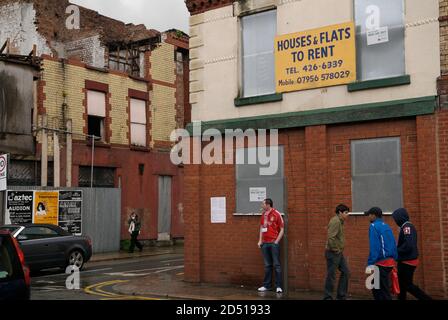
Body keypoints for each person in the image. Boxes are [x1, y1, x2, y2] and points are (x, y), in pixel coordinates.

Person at [392, 208, 432, 300]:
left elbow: (408, 245)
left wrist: (396, 250)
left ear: (400, 218)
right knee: (402, 285)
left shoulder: (407, 227)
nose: (395, 221)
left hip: (408, 261)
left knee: (407, 285)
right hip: (406, 260)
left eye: (396, 219)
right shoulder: (406, 227)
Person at [365, 207, 398, 300]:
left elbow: (374, 246)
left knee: (381, 291)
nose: (368, 217)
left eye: (369, 215)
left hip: (380, 263)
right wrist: (395, 258)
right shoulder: (386, 226)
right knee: (378, 288)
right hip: (390, 262)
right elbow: (393, 243)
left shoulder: (373, 226)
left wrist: (370, 264)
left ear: (373, 215)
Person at [257, 199, 285, 294]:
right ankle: (266, 285)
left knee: (276, 265)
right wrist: (260, 240)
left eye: (263, 204)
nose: (262, 205)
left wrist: (276, 241)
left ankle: (278, 286)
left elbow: (282, 229)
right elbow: (261, 228)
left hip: (273, 243)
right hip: (265, 243)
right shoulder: (263, 214)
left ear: (268, 204)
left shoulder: (277, 214)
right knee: (267, 265)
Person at [323, 204, 351, 300]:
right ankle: (328, 296)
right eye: (346, 213)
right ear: (340, 212)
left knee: (346, 271)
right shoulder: (335, 221)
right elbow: (331, 237)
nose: (348, 215)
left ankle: (341, 295)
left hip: (338, 252)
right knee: (331, 275)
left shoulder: (340, 221)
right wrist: (336, 249)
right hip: (333, 252)